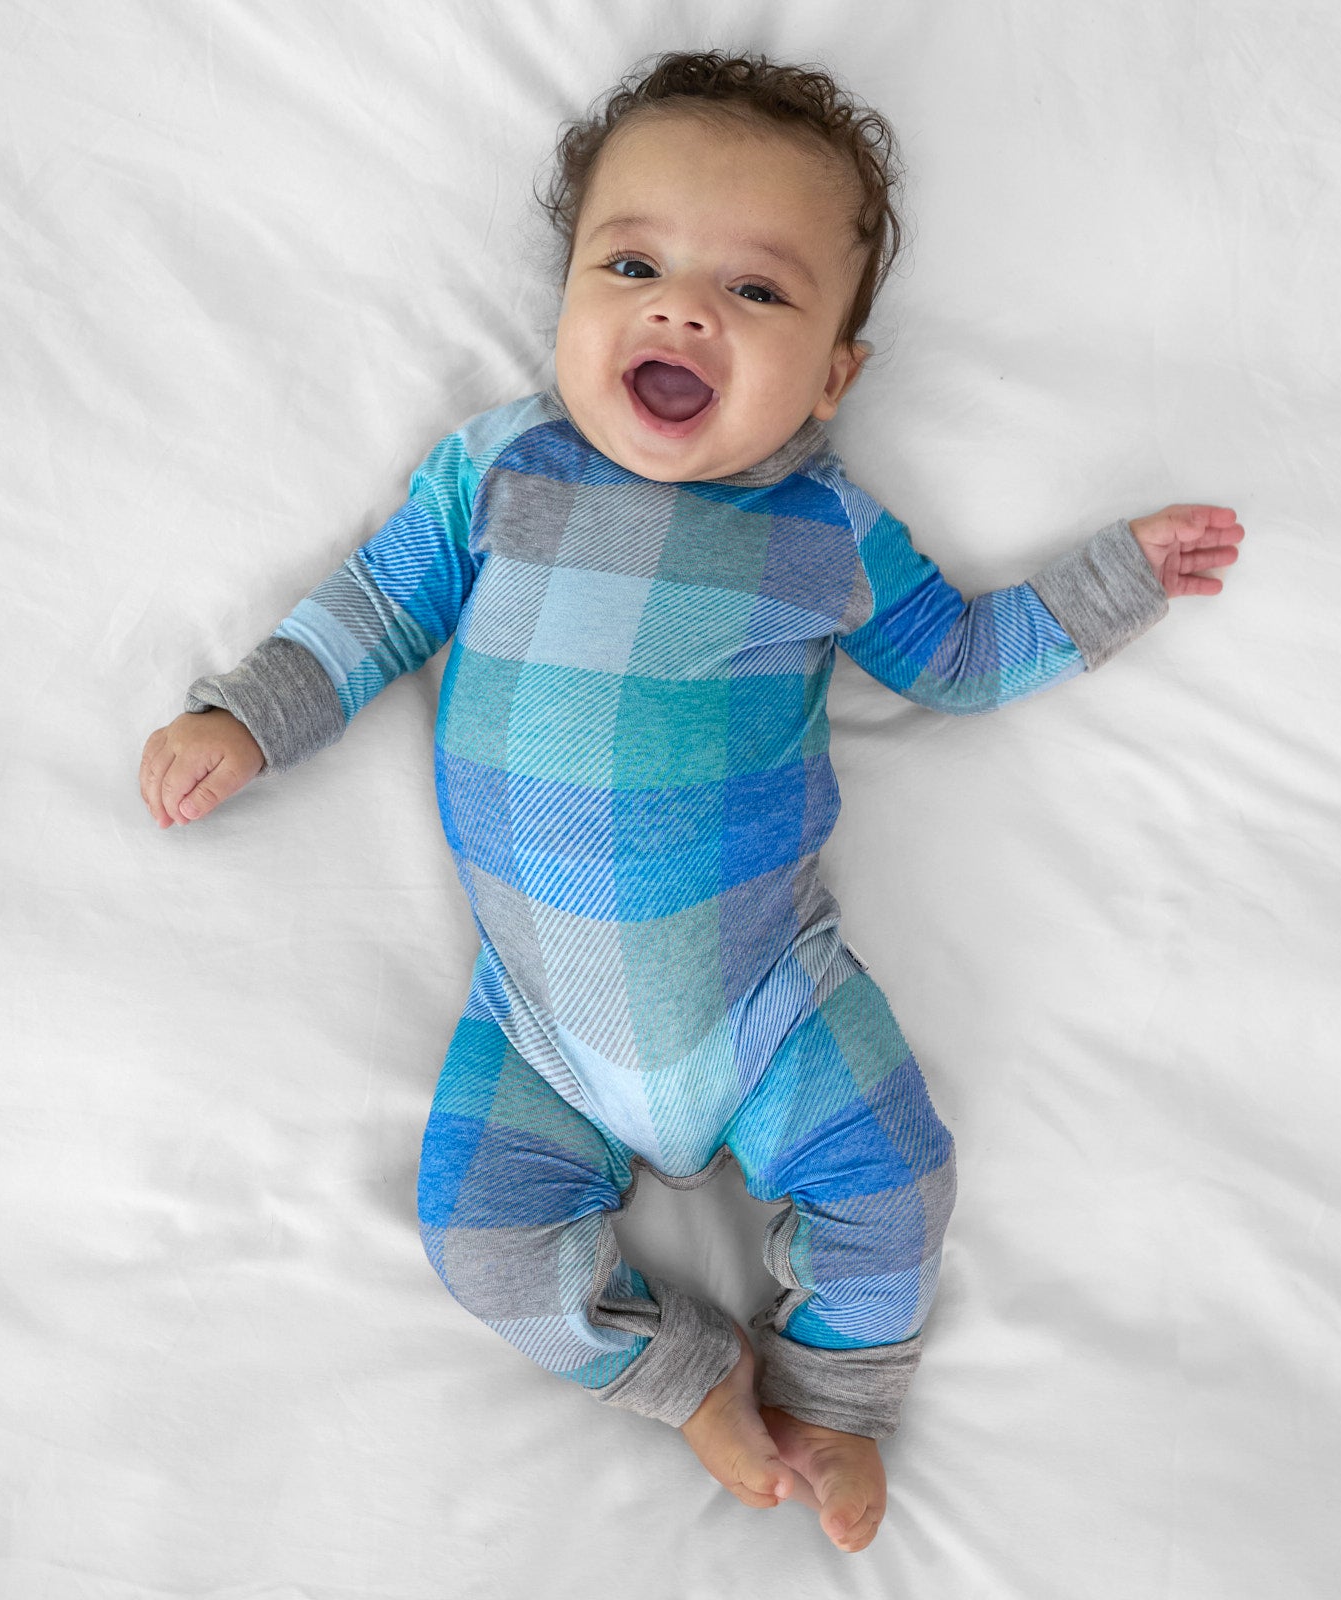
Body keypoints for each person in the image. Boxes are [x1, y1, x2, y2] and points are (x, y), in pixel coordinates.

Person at [138, 50, 1243, 1554]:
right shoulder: (501, 471)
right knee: (476, 1236)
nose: (683, 310)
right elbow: (381, 606)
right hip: (536, 1021)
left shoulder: (823, 527)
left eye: (760, 293)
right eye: (635, 263)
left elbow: (963, 658)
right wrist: (249, 715)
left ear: (836, 378)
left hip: (769, 1002)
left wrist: (1115, 580)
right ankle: (685, 1374)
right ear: (570, 303)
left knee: (897, 1181)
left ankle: (842, 1410)